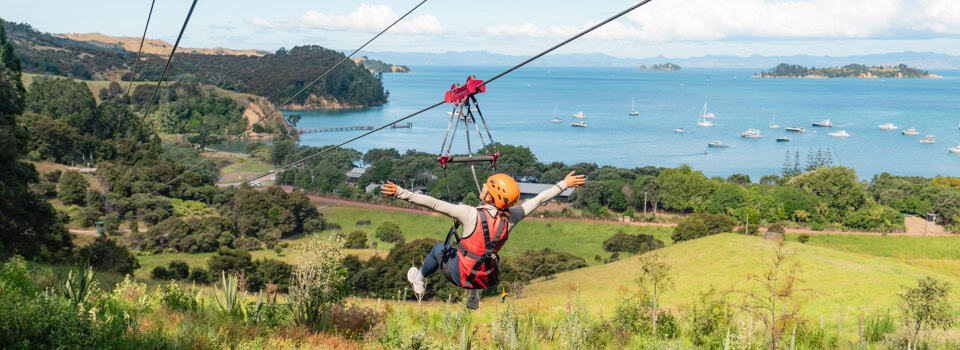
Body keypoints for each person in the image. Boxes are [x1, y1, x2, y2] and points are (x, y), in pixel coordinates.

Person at [382, 171, 586, 309]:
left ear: (489, 196)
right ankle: (473, 296)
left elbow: (434, 204)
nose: (483, 187)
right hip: (485, 277)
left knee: (439, 248)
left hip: (460, 275)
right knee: (484, 255)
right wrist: (563, 185)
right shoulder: (512, 217)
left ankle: (419, 280)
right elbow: (539, 199)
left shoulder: (470, 214)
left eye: (486, 186)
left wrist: (401, 192)